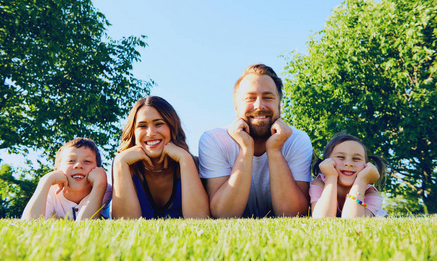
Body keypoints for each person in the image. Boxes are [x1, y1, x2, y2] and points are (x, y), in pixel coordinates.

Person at [198, 64, 313, 218]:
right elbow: (223, 214)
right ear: (236, 106)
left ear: (279, 105)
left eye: (268, 97)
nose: (259, 105)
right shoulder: (214, 140)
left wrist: (274, 150)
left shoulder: (298, 140)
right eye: (250, 98)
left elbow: (293, 214)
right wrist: (246, 150)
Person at [112, 96, 210, 219]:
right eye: (142, 126)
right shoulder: (124, 166)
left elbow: (199, 220)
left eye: (158, 124)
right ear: (133, 133)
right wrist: (120, 162)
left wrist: (185, 158)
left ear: (172, 127)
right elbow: (125, 225)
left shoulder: (193, 163)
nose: (151, 133)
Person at [22, 138, 112, 220]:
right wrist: (45, 181)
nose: (78, 165)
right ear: (57, 170)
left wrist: (100, 185)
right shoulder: (50, 190)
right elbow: (29, 222)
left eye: (87, 161)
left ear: (98, 170)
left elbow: (84, 227)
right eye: (71, 161)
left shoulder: (103, 189)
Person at [309, 133, 387, 218]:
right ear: (326, 162)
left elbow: (352, 221)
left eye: (356, 159)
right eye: (340, 157)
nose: (349, 164)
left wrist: (362, 181)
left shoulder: (371, 194)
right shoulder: (320, 184)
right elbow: (322, 219)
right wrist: (331, 177)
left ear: (366, 165)